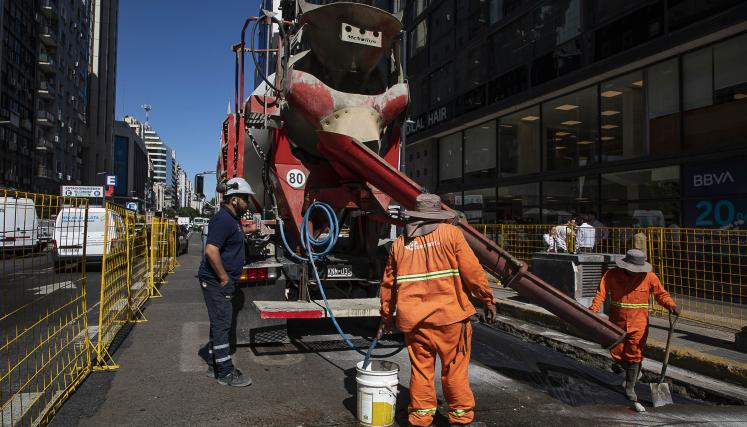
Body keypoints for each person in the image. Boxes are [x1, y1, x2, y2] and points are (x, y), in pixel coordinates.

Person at [379, 194, 496, 427]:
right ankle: (460, 416)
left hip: (415, 321)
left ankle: (421, 416)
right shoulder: (451, 235)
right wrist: (487, 299)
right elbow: (473, 272)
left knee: (421, 370)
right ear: (438, 216)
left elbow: (388, 285)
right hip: (450, 318)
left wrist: (386, 317)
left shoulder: (400, 245)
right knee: (454, 368)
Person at [588, 249, 680, 403]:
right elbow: (600, 293)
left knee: (634, 353)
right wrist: (593, 310)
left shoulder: (649, 277)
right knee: (614, 349)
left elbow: (661, 294)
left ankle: (630, 387)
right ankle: (634, 371)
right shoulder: (611, 275)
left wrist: (671, 305)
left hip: (639, 323)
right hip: (617, 321)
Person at [198, 177, 256, 387]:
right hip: (215, 281)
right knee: (222, 324)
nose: (248, 203)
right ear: (234, 199)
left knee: (219, 323)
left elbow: (235, 234)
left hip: (219, 281)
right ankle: (224, 372)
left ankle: (215, 366)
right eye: (245, 199)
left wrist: (251, 230)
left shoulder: (232, 220)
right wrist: (223, 278)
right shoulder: (223, 219)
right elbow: (211, 250)